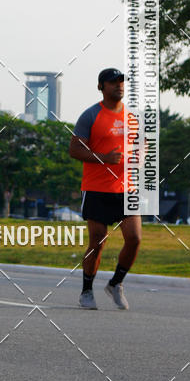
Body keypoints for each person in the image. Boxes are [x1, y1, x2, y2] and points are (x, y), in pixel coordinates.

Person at [68, 68, 142, 310]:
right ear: (101, 87)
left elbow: (144, 146)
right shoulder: (90, 116)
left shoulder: (133, 118)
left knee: (134, 238)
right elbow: (75, 150)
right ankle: (86, 290)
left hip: (127, 188)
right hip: (97, 188)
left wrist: (140, 158)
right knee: (98, 241)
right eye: (112, 82)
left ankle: (115, 283)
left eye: (121, 82)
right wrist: (103, 158)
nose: (119, 86)